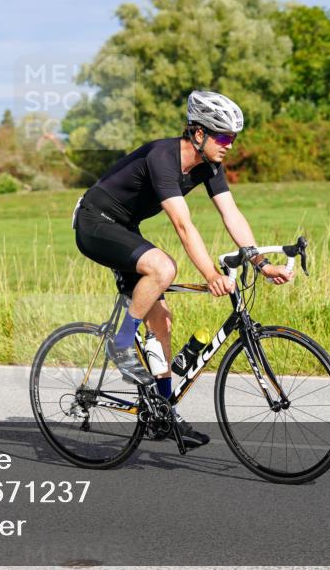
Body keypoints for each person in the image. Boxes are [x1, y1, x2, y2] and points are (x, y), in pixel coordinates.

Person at [73, 91, 294, 447]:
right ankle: (122, 342)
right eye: (222, 137)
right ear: (198, 133)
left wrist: (261, 262)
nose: (229, 145)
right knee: (163, 267)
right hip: (94, 222)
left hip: (125, 227)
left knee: (162, 321)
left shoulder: (209, 165)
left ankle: (163, 414)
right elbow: (183, 226)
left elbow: (230, 214)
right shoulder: (163, 157)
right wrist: (210, 275)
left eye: (233, 138)